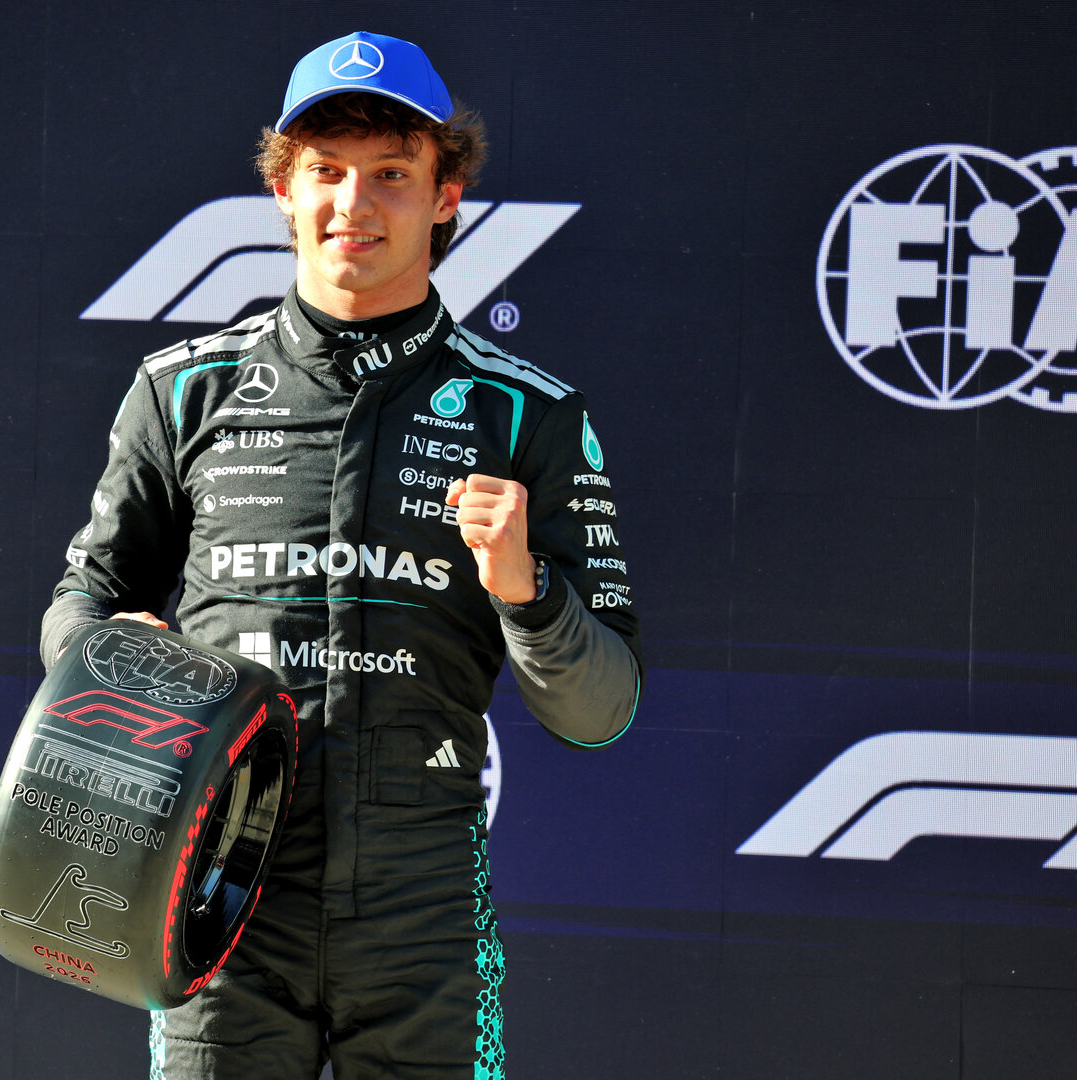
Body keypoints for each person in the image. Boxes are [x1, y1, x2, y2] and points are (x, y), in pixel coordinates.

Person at [40, 30, 641, 1080]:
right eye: (323, 172)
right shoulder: (186, 390)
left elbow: (602, 712)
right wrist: (113, 662)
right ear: (282, 188)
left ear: (447, 193)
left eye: (391, 176)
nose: (352, 206)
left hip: (424, 924)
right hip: (220, 904)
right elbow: (83, 601)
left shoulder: (529, 415)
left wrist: (526, 591)